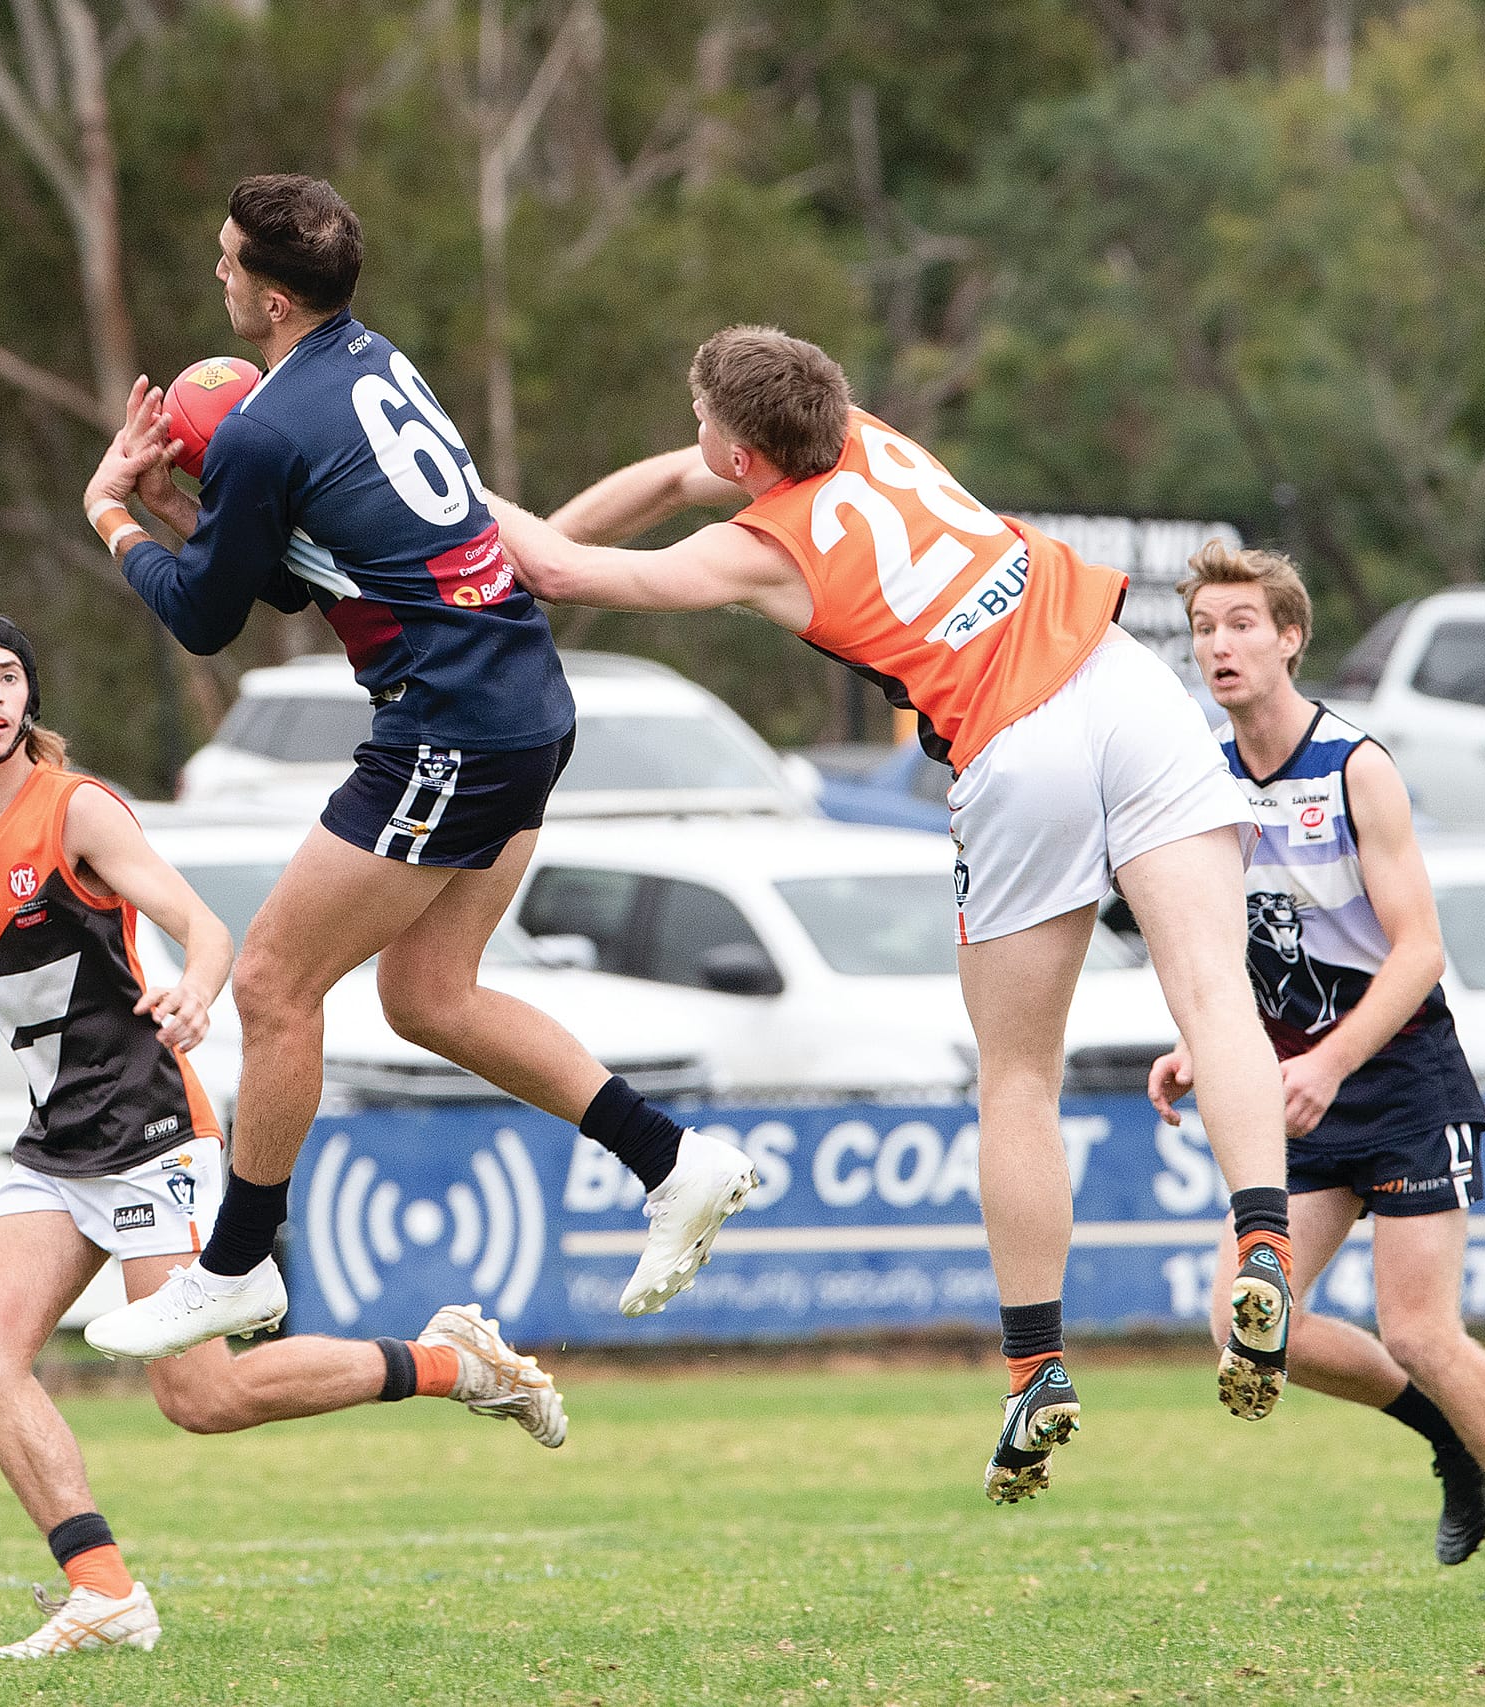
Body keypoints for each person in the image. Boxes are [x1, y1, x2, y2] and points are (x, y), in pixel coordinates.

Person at [483, 325, 1296, 1503]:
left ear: (742, 455)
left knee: (1017, 1076)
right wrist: (545, 539)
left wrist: (436, 483)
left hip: (1014, 744)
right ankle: (1261, 1236)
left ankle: (1033, 1367)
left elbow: (565, 569)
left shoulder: (757, 550)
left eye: (703, 421)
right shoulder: (859, 434)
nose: (693, 439)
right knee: (1213, 993)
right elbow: (660, 481)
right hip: (1121, 679)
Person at [0, 614, 567, 1660]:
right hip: (57, 1142)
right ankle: (103, 1592)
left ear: (29, 696)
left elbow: (203, 927)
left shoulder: (77, 810)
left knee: (202, 1396)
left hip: (150, 1129)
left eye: (8, 676)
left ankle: (454, 1363)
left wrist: (196, 990)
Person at [74, 173, 756, 1363]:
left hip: (450, 725)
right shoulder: (371, 361)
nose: (217, 272)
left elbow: (201, 619)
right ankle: (672, 1160)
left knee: (271, 985)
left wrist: (115, 515)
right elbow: (293, 577)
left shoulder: (265, 428)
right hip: (521, 700)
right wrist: (193, 503)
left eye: (229, 260)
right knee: (427, 996)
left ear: (273, 300)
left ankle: (235, 1269)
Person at [1154, 542, 1485, 1592]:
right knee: (1243, 1326)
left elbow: (1418, 952)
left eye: (1239, 625)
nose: (1218, 646)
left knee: (1420, 1329)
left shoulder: (1354, 765)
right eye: (1203, 629)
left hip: (1398, 1079)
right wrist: (1201, 1043)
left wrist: (1328, 1061)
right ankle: (1448, 1441)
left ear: (1289, 638)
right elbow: (1226, 947)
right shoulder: (1203, 781)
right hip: (1295, 1088)